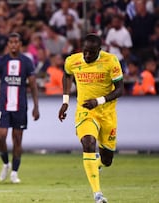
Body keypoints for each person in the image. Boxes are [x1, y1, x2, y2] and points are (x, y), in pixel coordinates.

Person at [58, 34, 124, 203]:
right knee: (88, 143)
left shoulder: (111, 61)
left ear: (99, 51)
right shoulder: (73, 61)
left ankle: (96, 165)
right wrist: (65, 101)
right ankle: (98, 195)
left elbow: (120, 89)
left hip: (107, 113)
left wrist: (99, 101)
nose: (87, 56)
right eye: (85, 51)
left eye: (91, 53)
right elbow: (66, 75)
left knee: (107, 160)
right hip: (85, 111)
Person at [0, 32, 40, 183]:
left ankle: (15, 172)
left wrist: (36, 106)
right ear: (8, 44)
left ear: (20, 44)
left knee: (17, 140)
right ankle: (5, 163)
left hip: (20, 107)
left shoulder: (27, 62)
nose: (14, 45)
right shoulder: (2, 61)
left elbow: (33, 85)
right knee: (1, 137)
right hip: (3, 106)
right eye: (11, 42)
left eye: (16, 42)